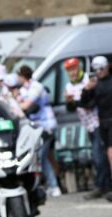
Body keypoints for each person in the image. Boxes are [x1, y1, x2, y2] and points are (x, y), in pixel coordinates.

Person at [63, 57, 111, 199]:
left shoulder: (89, 80)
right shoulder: (69, 86)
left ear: (79, 67)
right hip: (87, 125)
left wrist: (80, 96)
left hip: (98, 122)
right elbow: (71, 109)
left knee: (98, 155)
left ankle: (102, 186)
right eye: (69, 70)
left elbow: (90, 103)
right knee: (98, 156)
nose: (72, 72)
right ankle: (103, 185)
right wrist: (69, 102)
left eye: (74, 69)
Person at [16, 65, 61, 197]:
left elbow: (25, 106)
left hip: (46, 126)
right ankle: (54, 184)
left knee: (41, 156)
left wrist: (16, 102)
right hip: (35, 127)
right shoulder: (24, 89)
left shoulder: (36, 87)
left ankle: (52, 185)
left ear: (23, 76)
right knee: (47, 156)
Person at [81, 56, 112, 202]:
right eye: (96, 69)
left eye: (101, 68)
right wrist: (86, 90)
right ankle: (105, 185)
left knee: (110, 152)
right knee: (104, 155)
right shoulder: (96, 85)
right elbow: (86, 105)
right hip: (103, 122)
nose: (98, 72)